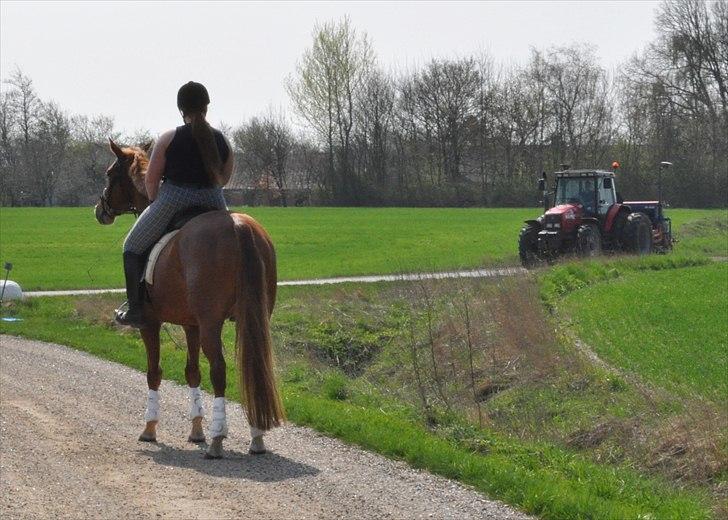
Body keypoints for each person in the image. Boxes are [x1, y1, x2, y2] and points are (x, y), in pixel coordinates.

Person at [115, 81, 234, 327]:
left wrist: (157, 201)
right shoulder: (223, 141)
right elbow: (224, 179)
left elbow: (151, 182)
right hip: (213, 199)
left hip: (175, 198)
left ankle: (136, 310)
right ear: (207, 107)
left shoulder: (169, 138)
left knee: (131, 246)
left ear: (181, 109)